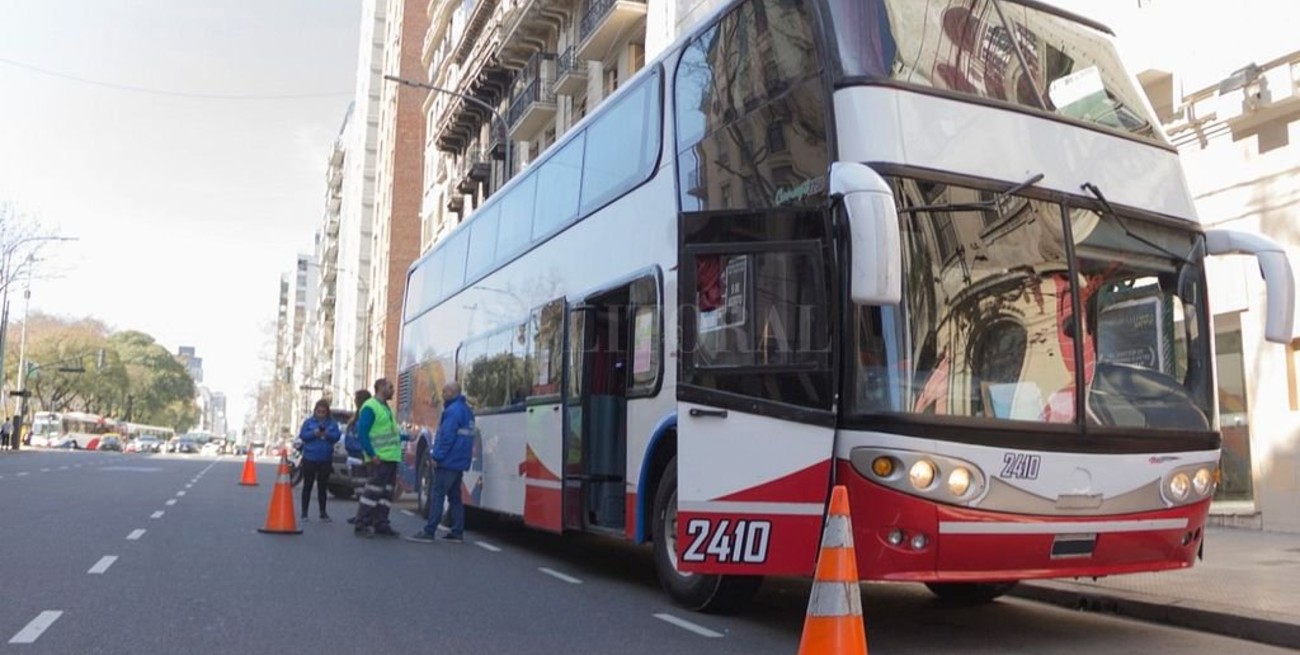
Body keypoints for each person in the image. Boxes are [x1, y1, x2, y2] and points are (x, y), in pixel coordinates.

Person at [406, 382, 475, 544]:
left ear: (452, 392)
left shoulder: (452, 411)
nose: (442, 393)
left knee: (438, 494)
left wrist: (437, 456)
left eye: (445, 391)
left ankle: (429, 530)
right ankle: (457, 531)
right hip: (459, 460)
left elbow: (446, 437)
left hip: (448, 461)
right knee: (455, 497)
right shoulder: (466, 410)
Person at [353, 378, 401, 538]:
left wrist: (407, 437)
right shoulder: (370, 407)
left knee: (386, 493)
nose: (393, 390)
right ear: (380, 387)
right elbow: (363, 432)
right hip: (379, 458)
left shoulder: (386, 408)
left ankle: (381, 522)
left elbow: (390, 433)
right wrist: (372, 454)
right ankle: (362, 523)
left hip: (390, 458)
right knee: (372, 492)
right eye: (390, 387)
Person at [297, 399, 342, 522]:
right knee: (308, 485)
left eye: (323, 411)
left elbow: (336, 437)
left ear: (327, 412)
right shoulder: (308, 422)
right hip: (310, 457)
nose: (321, 414)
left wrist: (326, 434)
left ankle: (323, 512)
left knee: (323, 486)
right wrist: (314, 433)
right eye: (319, 411)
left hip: (325, 458)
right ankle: (304, 512)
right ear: (315, 411)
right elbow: (303, 436)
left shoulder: (332, 423)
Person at [345, 388, 372, 526]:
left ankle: (364, 516)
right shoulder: (356, 417)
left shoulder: (366, 416)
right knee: (359, 489)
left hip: (362, 457)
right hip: (354, 457)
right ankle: (360, 515)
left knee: (364, 488)